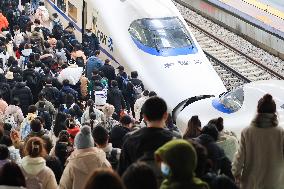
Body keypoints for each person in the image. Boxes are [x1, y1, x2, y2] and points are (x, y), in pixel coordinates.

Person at [232, 94, 284, 189]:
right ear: (274, 112)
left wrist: (236, 174)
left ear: (258, 111)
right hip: (275, 183)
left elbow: (240, 157)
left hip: (251, 184)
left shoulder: (247, 132)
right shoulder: (281, 133)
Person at [118, 97, 174, 175]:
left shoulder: (130, 139)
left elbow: (122, 172)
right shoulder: (174, 140)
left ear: (144, 117)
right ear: (165, 115)